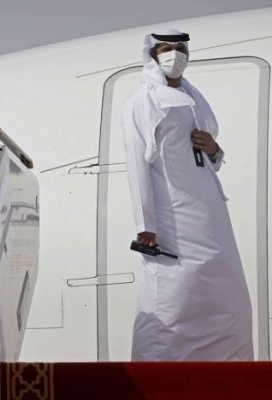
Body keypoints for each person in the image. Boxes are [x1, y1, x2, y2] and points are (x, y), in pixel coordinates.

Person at [122, 28, 253, 361]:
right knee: (173, 295)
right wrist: (145, 224)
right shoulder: (143, 101)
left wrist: (214, 150)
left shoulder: (194, 99)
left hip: (210, 215)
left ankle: (229, 373)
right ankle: (160, 374)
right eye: (166, 48)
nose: (175, 54)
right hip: (172, 216)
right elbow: (136, 163)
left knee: (227, 294)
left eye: (180, 48)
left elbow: (207, 163)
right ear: (152, 55)